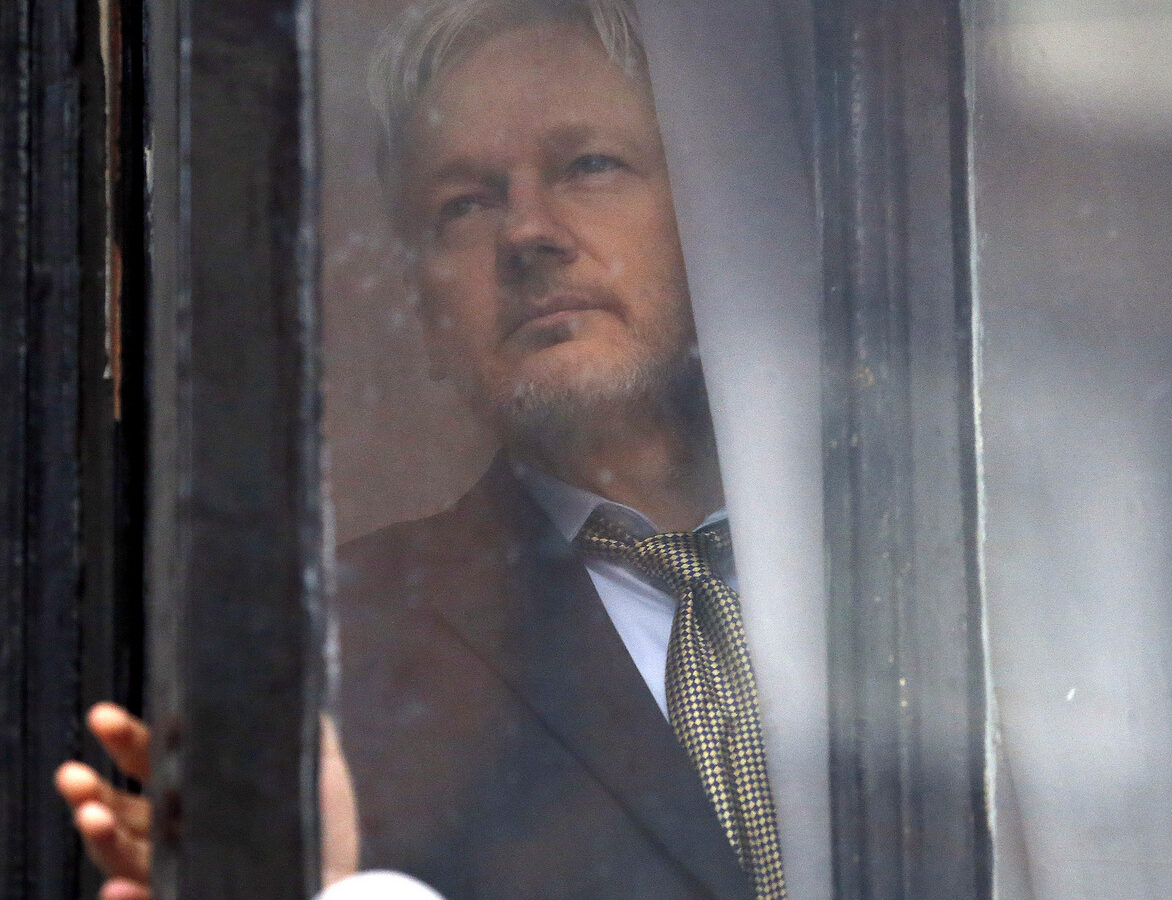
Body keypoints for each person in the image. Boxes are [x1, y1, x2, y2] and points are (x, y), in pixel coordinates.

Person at [57, 2, 788, 898]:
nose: (527, 231)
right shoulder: (334, 652)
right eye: (464, 204)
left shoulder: (933, 572)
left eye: (589, 165)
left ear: (713, 221)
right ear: (426, 313)